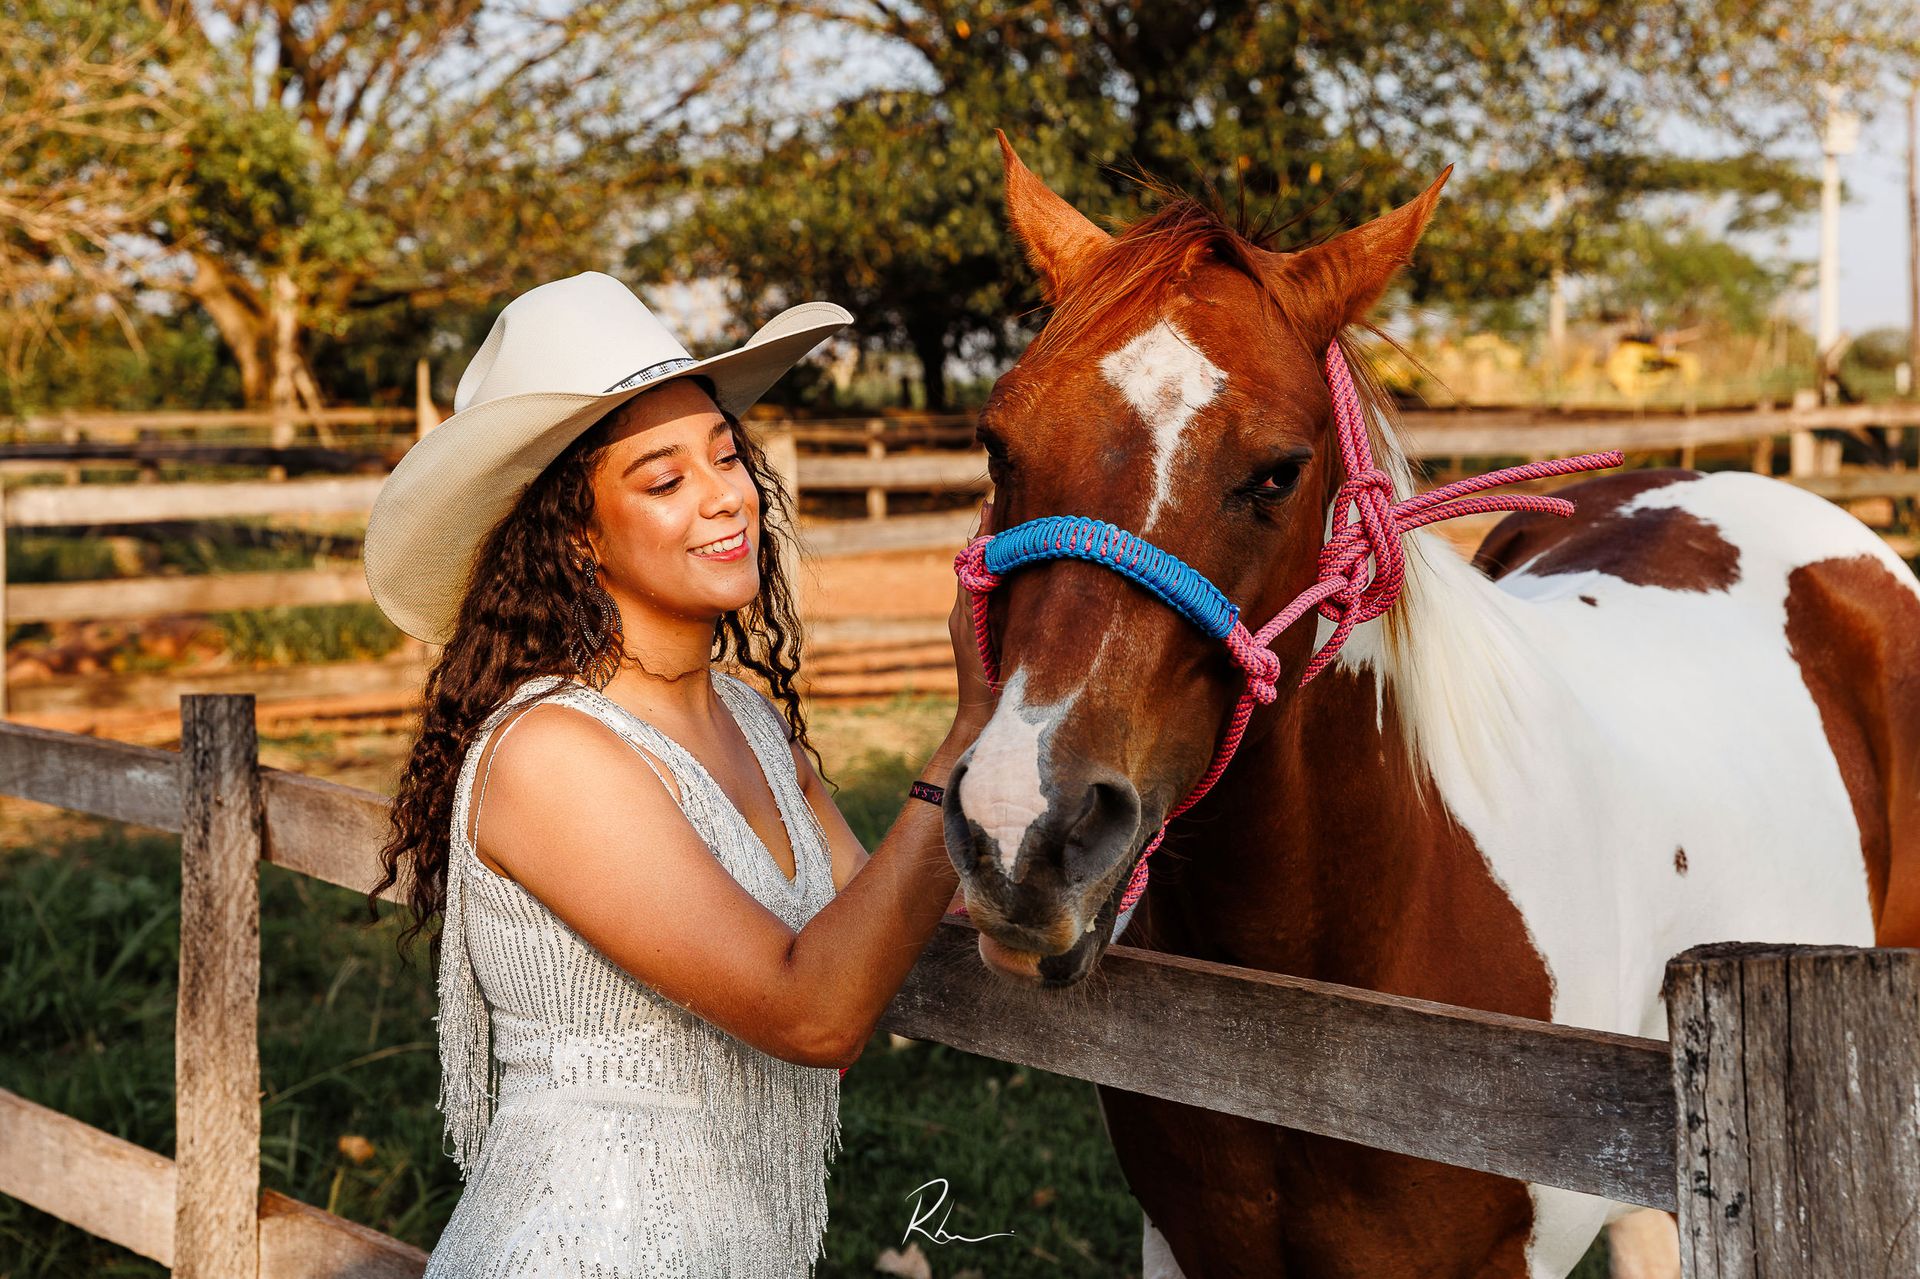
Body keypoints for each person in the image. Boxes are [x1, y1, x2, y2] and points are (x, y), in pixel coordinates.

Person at [360, 271, 995, 1276]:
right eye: (663, 480)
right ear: (576, 535)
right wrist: (967, 732)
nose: (724, 496)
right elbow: (817, 1012)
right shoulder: (550, 754)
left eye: (727, 454)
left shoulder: (752, 719)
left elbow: (887, 934)